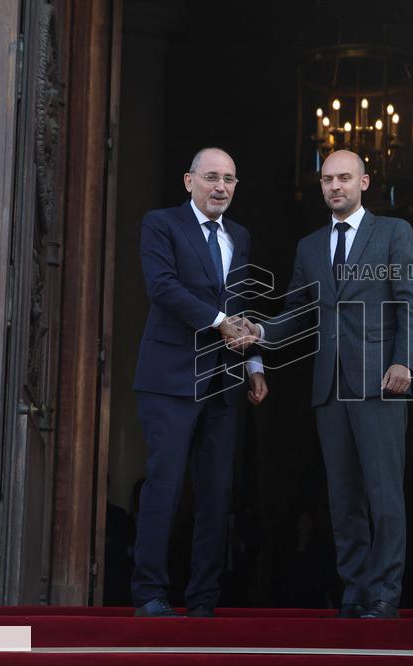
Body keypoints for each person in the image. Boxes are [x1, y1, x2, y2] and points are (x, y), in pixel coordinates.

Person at [251, 150, 413, 618]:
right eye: (327, 179)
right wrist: (261, 332)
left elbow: (412, 301)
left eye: (344, 178)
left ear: (364, 182)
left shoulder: (393, 233)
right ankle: (354, 590)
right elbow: (295, 312)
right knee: (343, 498)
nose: (335, 187)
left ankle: (386, 592)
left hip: (380, 385)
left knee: (384, 495)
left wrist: (404, 362)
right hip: (329, 389)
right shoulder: (309, 246)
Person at [130, 147, 267, 618]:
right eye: (211, 177)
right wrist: (218, 322)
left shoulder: (240, 236)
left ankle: (203, 599)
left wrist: (255, 366)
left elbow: (242, 300)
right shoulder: (161, 223)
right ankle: (150, 593)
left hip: (225, 381)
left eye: (229, 179)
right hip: (169, 379)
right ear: (189, 181)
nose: (221, 187)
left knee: (215, 494)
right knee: (164, 486)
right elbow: (162, 287)